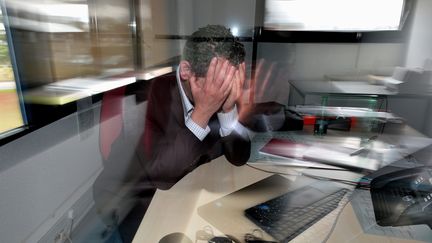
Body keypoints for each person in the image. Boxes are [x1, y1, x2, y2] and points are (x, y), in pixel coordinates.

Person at [138, 25, 251, 189]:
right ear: (186, 70)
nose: (226, 89)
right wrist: (202, 113)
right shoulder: (157, 92)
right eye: (219, 81)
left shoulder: (225, 93)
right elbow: (160, 177)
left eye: (230, 81)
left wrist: (228, 110)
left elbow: (239, 158)